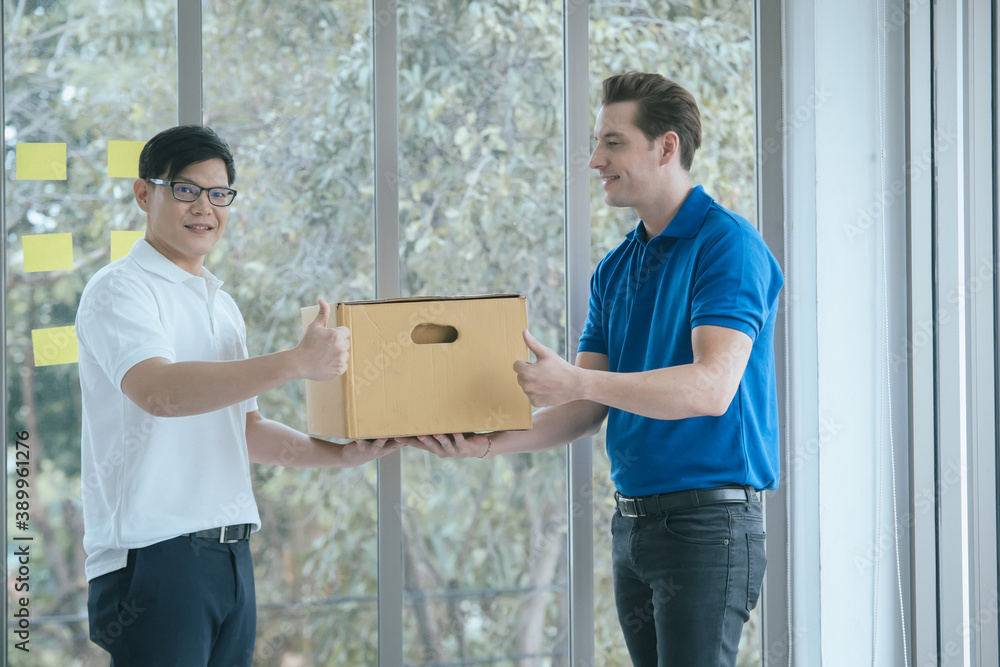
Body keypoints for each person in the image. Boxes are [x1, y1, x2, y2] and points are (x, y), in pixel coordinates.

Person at [404, 72, 783, 666]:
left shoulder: (727, 246)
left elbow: (712, 387)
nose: (594, 159)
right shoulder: (614, 269)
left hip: (709, 525)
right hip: (634, 525)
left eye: (612, 142)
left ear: (665, 147)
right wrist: (480, 445)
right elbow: (584, 410)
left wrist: (577, 380)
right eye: (596, 142)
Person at [76, 125, 401, 666]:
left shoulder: (221, 305)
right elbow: (159, 392)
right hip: (153, 556)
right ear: (143, 194)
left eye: (219, 193)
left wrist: (340, 455)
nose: (205, 207)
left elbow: (245, 430)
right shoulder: (120, 288)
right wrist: (296, 363)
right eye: (186, 189)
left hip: (229, 552)